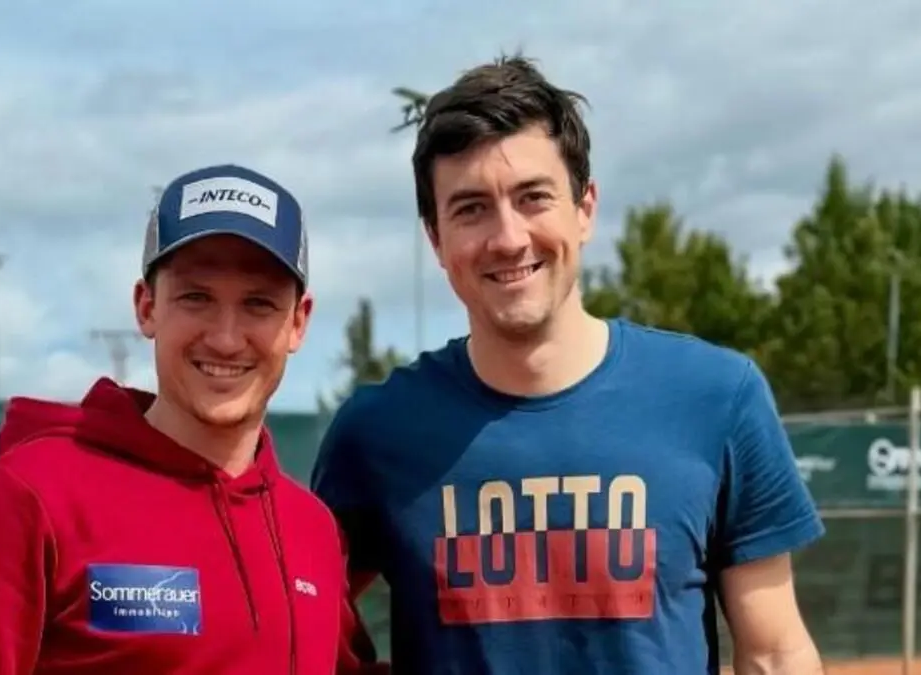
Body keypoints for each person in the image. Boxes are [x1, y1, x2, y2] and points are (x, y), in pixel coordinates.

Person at [311, 56, 827, 674]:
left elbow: (774, 651)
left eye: (533, 197)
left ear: (585, 209)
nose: (508, 238)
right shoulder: (376, 432)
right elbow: (304, 628)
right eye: (471, 208)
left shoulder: (718, 396)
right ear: (435, 238)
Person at [0, 164, 348, 674]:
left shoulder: (314, 532)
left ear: (298, 322)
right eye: (196, 298)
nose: (225, 338)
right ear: (147, 307)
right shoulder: (30, 496)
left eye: (258, 304)